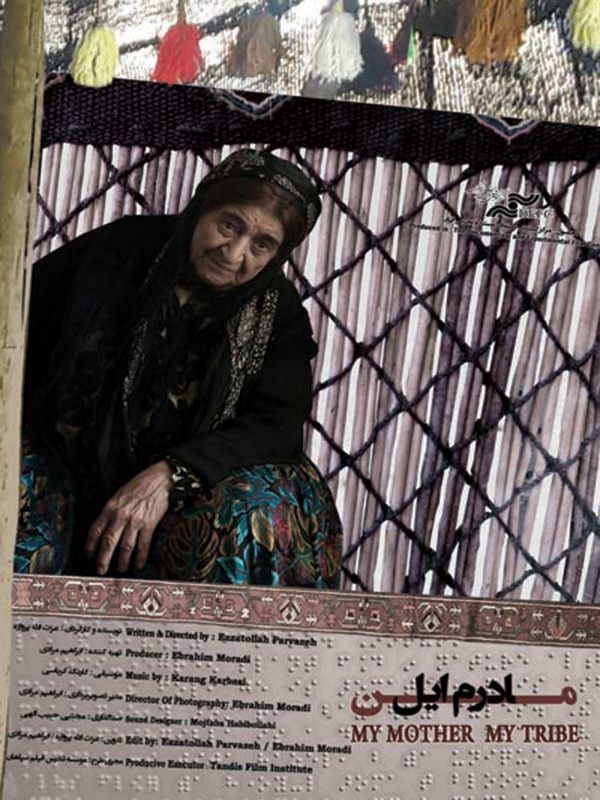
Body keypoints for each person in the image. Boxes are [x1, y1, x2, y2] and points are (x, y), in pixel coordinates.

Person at [16, 148, 342, 589]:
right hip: (62, 468)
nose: (234, 252)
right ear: (202, 207)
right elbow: (14, 324)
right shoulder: (116, 251)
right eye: (229, 225)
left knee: (256, 511)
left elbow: (276, 423)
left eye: (261, 244)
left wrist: (172, 475)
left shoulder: (277, 313)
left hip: (187, 495)